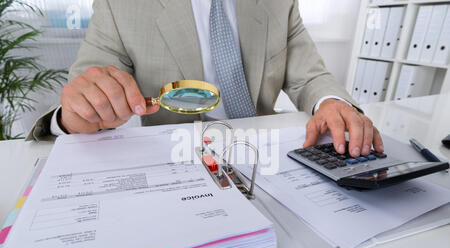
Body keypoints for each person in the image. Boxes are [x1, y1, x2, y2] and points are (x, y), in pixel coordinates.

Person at [27, 0, 384, 158]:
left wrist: (332, 102)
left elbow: (311, 78)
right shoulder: (120, 6)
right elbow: (86, 96)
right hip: (176, 158)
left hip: (264, 152)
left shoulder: (279, 2)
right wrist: (76, 116)